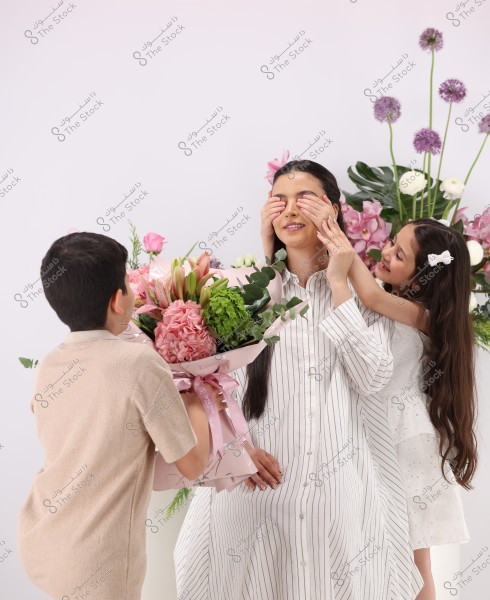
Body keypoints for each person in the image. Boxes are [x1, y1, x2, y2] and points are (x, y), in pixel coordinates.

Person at [175, 160, 424, 599]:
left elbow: (373, 378)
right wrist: (236, 448)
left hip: (340, 504)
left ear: (332, 209)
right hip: (253, 498)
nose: (290, 209)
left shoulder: (368, 296)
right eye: (279, 200)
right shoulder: (243, 293)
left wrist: (340, 284)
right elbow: (204, 386)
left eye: (304, 199)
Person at [17, 232, 220, 600]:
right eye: (128, 282)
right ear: (116, 301)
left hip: (42, 538)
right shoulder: (139, 362)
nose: (132, 290)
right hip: (100, 560)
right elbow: (192, 466)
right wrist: (200, 400)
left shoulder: (50, 363)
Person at [316, 214, 476, 600]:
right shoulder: (398, 304)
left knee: (414, 564)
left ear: (424, 275)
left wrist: (339, 246)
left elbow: (369, 295)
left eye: (398, 254)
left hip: (406, 444)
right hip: (382, 435)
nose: (384, 252)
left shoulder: (424, 316)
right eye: (390, 242)